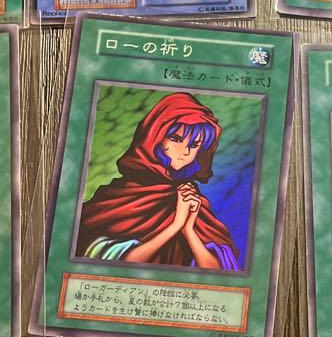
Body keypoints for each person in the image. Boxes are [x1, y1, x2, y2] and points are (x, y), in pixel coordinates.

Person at [76, 91, 239, 270]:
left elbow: (220, 272)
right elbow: (111, 265)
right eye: (175, 139)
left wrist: (189, 230)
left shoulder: (190, 199)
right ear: (154, 136)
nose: (185, 152)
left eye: (193, 145)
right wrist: (175, 225)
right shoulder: (118, 198)